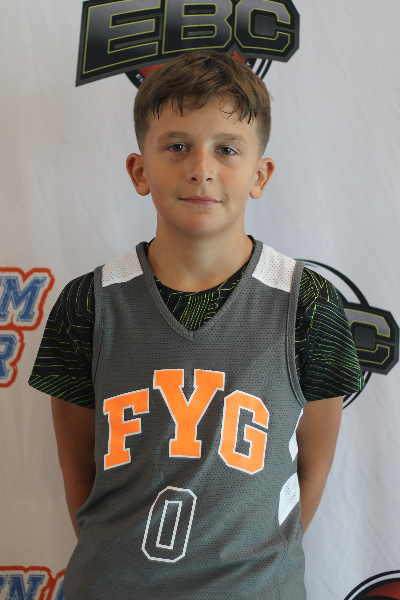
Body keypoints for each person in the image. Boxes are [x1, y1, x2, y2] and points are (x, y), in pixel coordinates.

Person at [29, 49, 364, 599]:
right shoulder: (87, 303)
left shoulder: (308, 303)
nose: (201, 168)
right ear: (140, 170)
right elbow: (78, 474)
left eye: (226, 149)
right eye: (177, 146)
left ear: (260, 174)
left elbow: (312, 469)